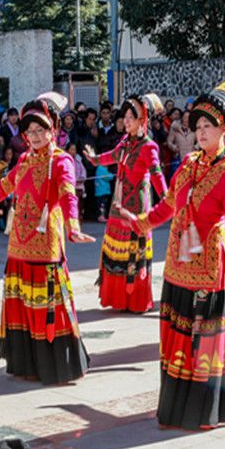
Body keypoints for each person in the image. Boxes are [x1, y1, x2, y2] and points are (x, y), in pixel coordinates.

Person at [119, 87, 225, 430]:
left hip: (209, 273)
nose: (201, 132)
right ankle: (175, 408)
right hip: (176, 268)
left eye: (208, 126)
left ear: (224, 129)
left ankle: (202, 412)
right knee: (176, 340)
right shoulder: (187, 165)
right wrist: (141, 222)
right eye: (197, 127)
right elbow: (169, 205)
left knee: (201, 345)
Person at [0, 92, 96, 383]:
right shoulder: (25, 159)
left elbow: (68, 194)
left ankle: (55, 366)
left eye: (40, 130)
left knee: (48, 308)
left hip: (45, 246)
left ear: (52, 130)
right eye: (30, 131)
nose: (35, 136)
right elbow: (5, 185)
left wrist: (73, 226)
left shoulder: (62, 161)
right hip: (18, 245)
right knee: (23, 307)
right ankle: (26, 364)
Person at [86, 94, 169, 313]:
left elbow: (157, 175)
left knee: (134, 254)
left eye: (132, 117)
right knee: (116, 252)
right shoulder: (126, 142)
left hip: (137, 209)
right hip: (118, 206)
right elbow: (112, 156)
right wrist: (94, 159)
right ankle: (119, 299)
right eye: (125, 117)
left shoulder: (149, 147)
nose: (126, 121)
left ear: (142, 120)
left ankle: (136, 300)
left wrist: (168, 199)